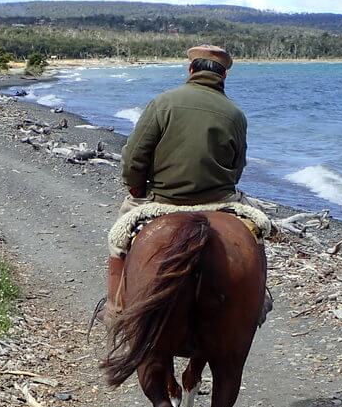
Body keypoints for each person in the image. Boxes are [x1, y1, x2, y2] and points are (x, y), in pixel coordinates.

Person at [106, 44, 248, 311]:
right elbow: (238, 166)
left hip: (164, 200)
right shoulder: (236, 115)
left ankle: (115, 309)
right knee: (255, 238)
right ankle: (258, 302)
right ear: (224, 76)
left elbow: (135, 156)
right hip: (218, 201)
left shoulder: (163, 103)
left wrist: (136, 188)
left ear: (190, 69)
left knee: (118, 239)